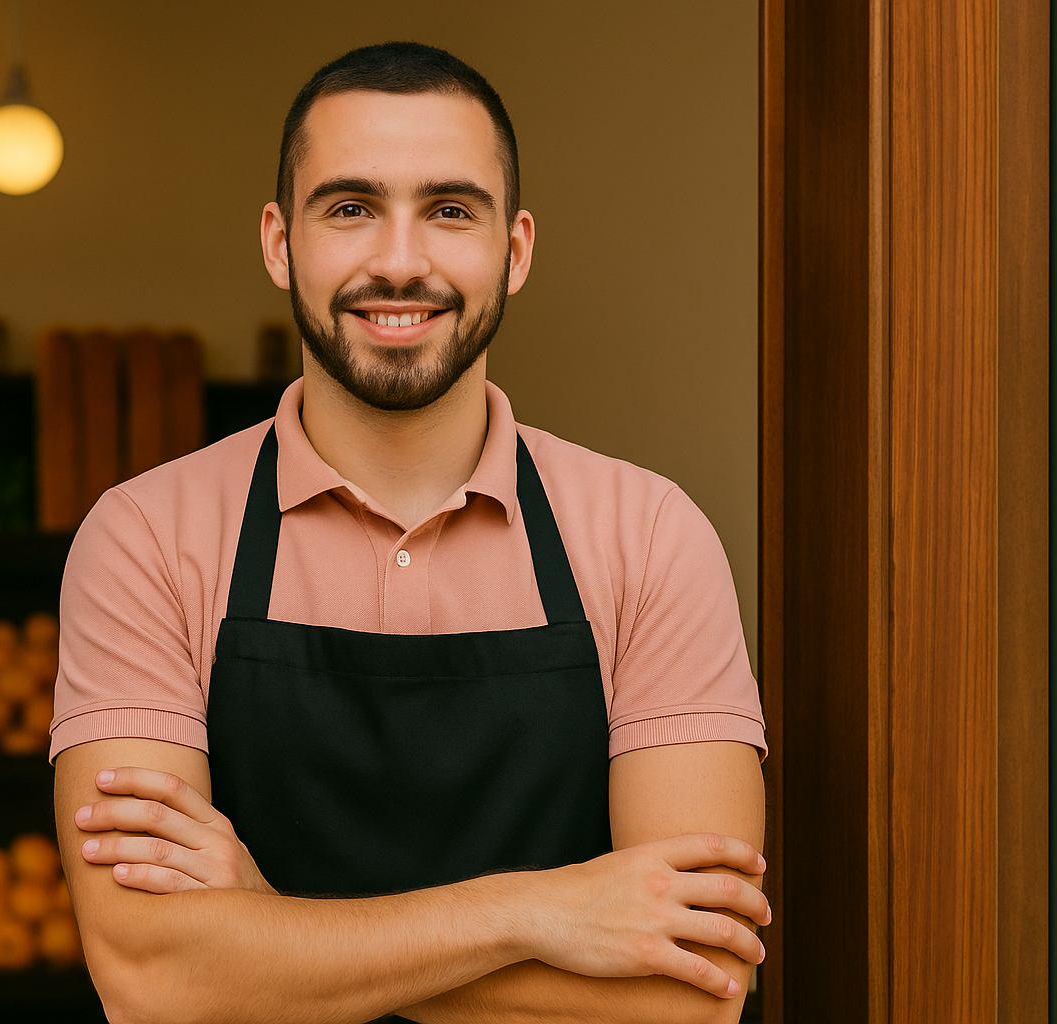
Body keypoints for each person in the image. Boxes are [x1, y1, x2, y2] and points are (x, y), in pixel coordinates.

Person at [50, 41, 769, 1024]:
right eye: (350, 208)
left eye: (449, 210)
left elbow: (692, 996)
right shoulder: (147, 539)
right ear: (278, 242)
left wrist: (268, 928)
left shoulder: (649, 536)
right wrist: (542, 911)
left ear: (514, 249)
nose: (398, 261)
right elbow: (155, 979)